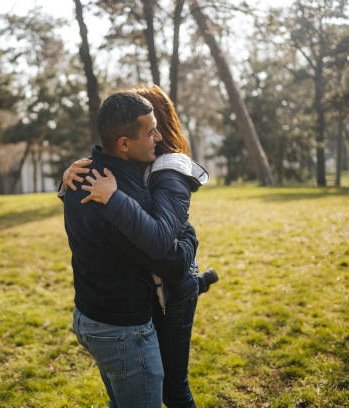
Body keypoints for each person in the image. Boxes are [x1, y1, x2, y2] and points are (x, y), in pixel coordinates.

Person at [62, 85, 218, 408]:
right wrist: (190, 239)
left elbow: (167, 254)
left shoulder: (157, 171)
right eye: (150, 132)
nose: (158, 137)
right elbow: (164, 251)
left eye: (156, 128)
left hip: (166, 294)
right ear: (124, 140)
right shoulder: (111, 184)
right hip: (123, 323)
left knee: (171, 388)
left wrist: (188, 238)